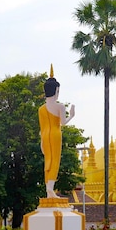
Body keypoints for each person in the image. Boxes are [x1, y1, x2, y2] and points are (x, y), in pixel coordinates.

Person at [38, 65, 75, 198]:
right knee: (55, 161)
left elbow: (41, 129)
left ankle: (49, 189)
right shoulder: (60, 106)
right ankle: (50, 189)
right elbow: (63, 123)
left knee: (48, 160)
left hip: (45, 136)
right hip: (55, 134)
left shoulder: (41, 109)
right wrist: (71, 115)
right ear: (56, 90)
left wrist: (42, 142)